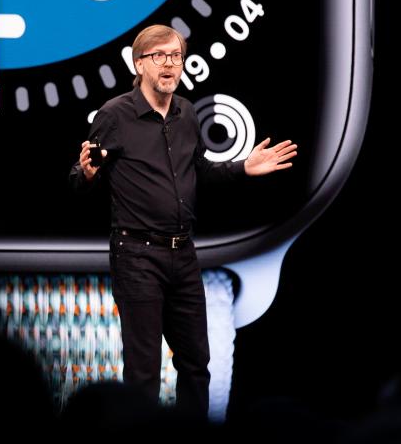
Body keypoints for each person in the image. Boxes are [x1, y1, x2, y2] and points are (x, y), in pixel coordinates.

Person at [69, 24, 297, 421]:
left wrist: (244, 167)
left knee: (196, 363)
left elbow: (199, 172)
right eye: (159, 56)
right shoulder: (115, 115)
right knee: (143, 372)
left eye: (176, 56)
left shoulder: (186, 112)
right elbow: (82, 178)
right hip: (136, 255)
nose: (169, 64)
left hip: (183, 254)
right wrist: (85, 174)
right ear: (139, 64)